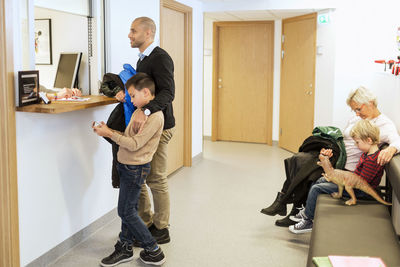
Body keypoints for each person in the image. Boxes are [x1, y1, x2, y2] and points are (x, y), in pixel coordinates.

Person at [261, 86, 400, 226]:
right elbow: (344, 139)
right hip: (338, 156)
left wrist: (391, 149)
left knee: (308, 169)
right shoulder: (357, 118)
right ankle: (290, 206)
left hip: (348, 168)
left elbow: (397, 140)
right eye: (354, 110)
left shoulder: (384, 124)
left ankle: (288, 206)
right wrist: (330, 151)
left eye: (358, 109)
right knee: (298, 159)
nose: (356, 113)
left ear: (370, 103)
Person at [93, 73, 166, 266]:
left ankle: (153, 249)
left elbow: (134, 144)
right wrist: (107, 131)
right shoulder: (139, 110)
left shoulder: (155, 118)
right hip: (127, 166)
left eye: (132, 95)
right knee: (129, 209)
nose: (129, 99)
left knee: (125, 212)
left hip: (136, 169)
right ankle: (125, 247)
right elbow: (127, 137)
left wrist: (110, 133)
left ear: (146, 92)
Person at [289, 119, 385, 234]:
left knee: (316, 188)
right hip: (354, 184)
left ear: (369, 140)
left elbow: (360, 183)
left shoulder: (372, 160)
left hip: (361, 192)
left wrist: (340, 179)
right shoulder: (367, 153)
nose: (356, 145)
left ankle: (308, 220)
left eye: (357, 142)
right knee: (320, 179)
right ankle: (308, 211)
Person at [128, 16, 175, 244]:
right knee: (142, 177)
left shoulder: (160, 58)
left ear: (148, 34)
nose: (129, 35)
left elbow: (168, 93)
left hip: (160, 127)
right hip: (148, 127)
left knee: (156, 178)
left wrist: (145, 111)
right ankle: (145, 224)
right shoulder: (142, 60)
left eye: (133, 31)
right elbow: (146, 91)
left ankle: (161, 228)